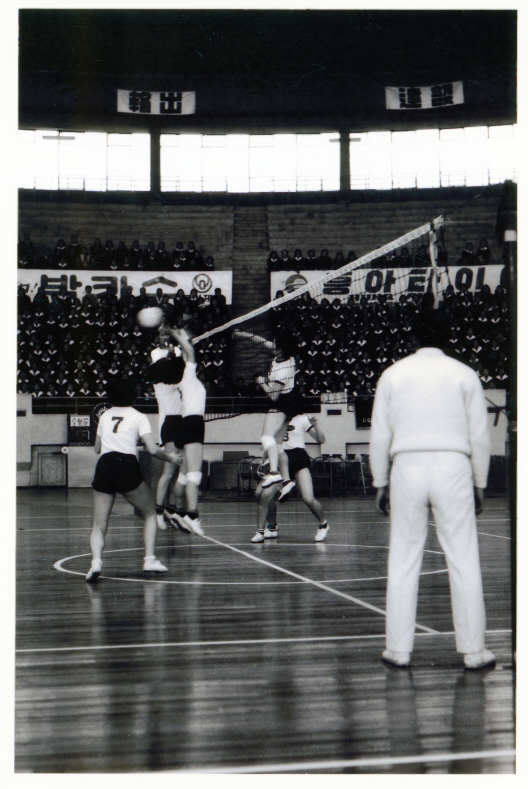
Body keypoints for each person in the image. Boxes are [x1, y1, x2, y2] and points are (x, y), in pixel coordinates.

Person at [369, 308, 495, 671]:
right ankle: (473, 652)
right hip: (454, 466)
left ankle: (398, 649)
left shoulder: (393, 374)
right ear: (448, 339)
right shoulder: (464, 374)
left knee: (404, 558)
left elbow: (380, 434)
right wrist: (479, 482)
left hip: (406, 466)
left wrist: (381, 482)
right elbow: (479, 435)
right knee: (464, 557)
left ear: (412, 339)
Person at [85, 379, 182, 582]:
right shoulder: (139, 416)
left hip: (105, 464)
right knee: (149, 513)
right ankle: (149, 559)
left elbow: (96, 449)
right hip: (126, 464)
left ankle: (96, 562)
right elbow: (153, 449)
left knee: (99, 524)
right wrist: (171, 457)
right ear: (133, 395)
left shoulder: (104, 416)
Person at [233, 330, 299, 488]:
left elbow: (274, 396)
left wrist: (261, 381)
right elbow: (262, 342)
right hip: (289, 402)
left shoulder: (283, 370)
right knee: (277, 445)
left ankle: (275, 473)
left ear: (281, 349)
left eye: (275, 344)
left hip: (281, 403)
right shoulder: (284, 354)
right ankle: (287, 481)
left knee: (266, 438)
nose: (272, 345)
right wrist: (241, 334)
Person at [251, 414, 330, 544]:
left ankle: (323, 525)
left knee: (308, 498)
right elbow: (270, 443)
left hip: (298, 459)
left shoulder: (302, 419)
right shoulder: (274, 420)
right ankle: (271, 527)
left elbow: (321, 440)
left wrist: (316, 425)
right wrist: (265, 459)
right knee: (262, 494)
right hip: (280, 458)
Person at [163, 326, 207, 536]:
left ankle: (174, 511)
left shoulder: (187, 380)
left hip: (185, 424)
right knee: (194, 475)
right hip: (193, 424)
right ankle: (192, 515)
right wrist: (180, 337)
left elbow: (187, 353)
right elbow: (190, 353)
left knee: (182, 476)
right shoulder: (187, 376)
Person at [144, 325, 187, 531]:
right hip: (168, 422)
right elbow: (167, 366)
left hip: (183, 420)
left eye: (166, 335)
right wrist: (175, 354)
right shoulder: (158, 362)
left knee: (182, 470)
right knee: (168, 472)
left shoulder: (176, 356)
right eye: (160, 335)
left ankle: (175, 511)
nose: (164, 338)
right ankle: (159, 513)